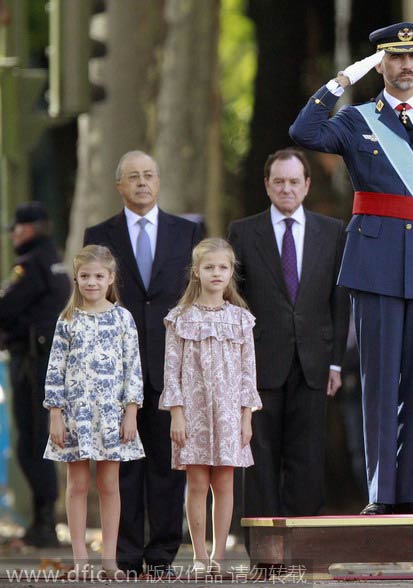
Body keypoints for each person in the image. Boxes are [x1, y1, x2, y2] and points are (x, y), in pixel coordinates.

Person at [289, 21, 413, 515]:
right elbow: (303, 131)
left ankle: (412, 494)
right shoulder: (357, 121)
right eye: (395, 58)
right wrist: (342, 81)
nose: (406, 67)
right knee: (378, 380)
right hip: (374, 263)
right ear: (381, 64)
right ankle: (380, 494)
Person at [84, 150, 202, 576]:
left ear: (159, 181)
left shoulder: (186, 233)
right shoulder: (99, 236)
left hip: (171, 367)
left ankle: (163, 554)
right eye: (132, 177)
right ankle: (128, 555)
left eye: (149, 175)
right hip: (116, 370)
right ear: (119, 186)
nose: (141, 182)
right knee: (125, 467)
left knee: (170, 466)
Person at [227, 148, 348, 523]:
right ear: (266, 185)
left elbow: (339, 301)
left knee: (307, 458)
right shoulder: (243, 232)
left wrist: (335, 362)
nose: (286, 188)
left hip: (313, 364)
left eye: (294, 181)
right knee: (259, 456)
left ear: (307, 185)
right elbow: (234, 301)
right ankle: (264, 552)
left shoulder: (332, 232)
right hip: (259, 363)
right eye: (278, 181)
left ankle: (302, 546)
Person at [159, 238, 261, 573]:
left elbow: (249, 372)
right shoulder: (180, 319)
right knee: (198, 483)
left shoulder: (242, 320)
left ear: (231, 272)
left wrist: (246, 417)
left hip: (230, 413)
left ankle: (220, 557)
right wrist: (177, 413)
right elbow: (171, 369)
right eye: (209, 267)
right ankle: (199, 556)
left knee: (225, 483)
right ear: (196, 272)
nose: (216, 273)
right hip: (194, 413)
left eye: (223, 267)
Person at [43, 245, 145, 578]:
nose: (91, 282)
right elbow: (55, 368)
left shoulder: (122, 318)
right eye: (85, 276)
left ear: (110, 278)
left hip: (111, 414)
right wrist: (55, 413)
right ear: (76, 278)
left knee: (110, 484)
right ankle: (80, 561)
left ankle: (109, 560)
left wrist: (131, 411)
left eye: (98, 276)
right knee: (75, 484)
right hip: (75, 414)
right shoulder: (67, 319)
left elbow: (133, 367)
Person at [0, 202, 70, 547]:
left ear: (32, 228)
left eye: (17, 227)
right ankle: (44, 519)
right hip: (48, 361)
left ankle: (44, 523)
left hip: (32, 363)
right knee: (42, 439)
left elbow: (6, 307)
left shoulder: (31, 266)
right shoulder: (54, 260)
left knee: (32, 441)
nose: (14, 233)